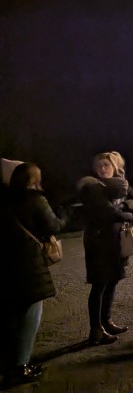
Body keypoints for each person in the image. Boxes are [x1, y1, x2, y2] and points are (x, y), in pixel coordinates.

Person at [1, 163, 64, 387]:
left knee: (13, 316)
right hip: (29, 264)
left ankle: (11, 364)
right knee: (30, 316)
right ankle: (20, 367)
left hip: (7, 265)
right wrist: (64, 214)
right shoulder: (35, 199)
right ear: (34, 179)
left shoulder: (6, 201)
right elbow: (53, 226)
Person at [77, 151, 133, 345]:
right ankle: (96, 330)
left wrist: (127, 205)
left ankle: (107, 321)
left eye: (106, 165)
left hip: (116, 239)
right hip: (98, 241)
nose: (102, 168)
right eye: (99, 165)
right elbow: (107, 213)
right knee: (99, 284)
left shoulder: (122, 184)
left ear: (114, 166)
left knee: (113, 280)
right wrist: (126, 214)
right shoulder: (92, 186)